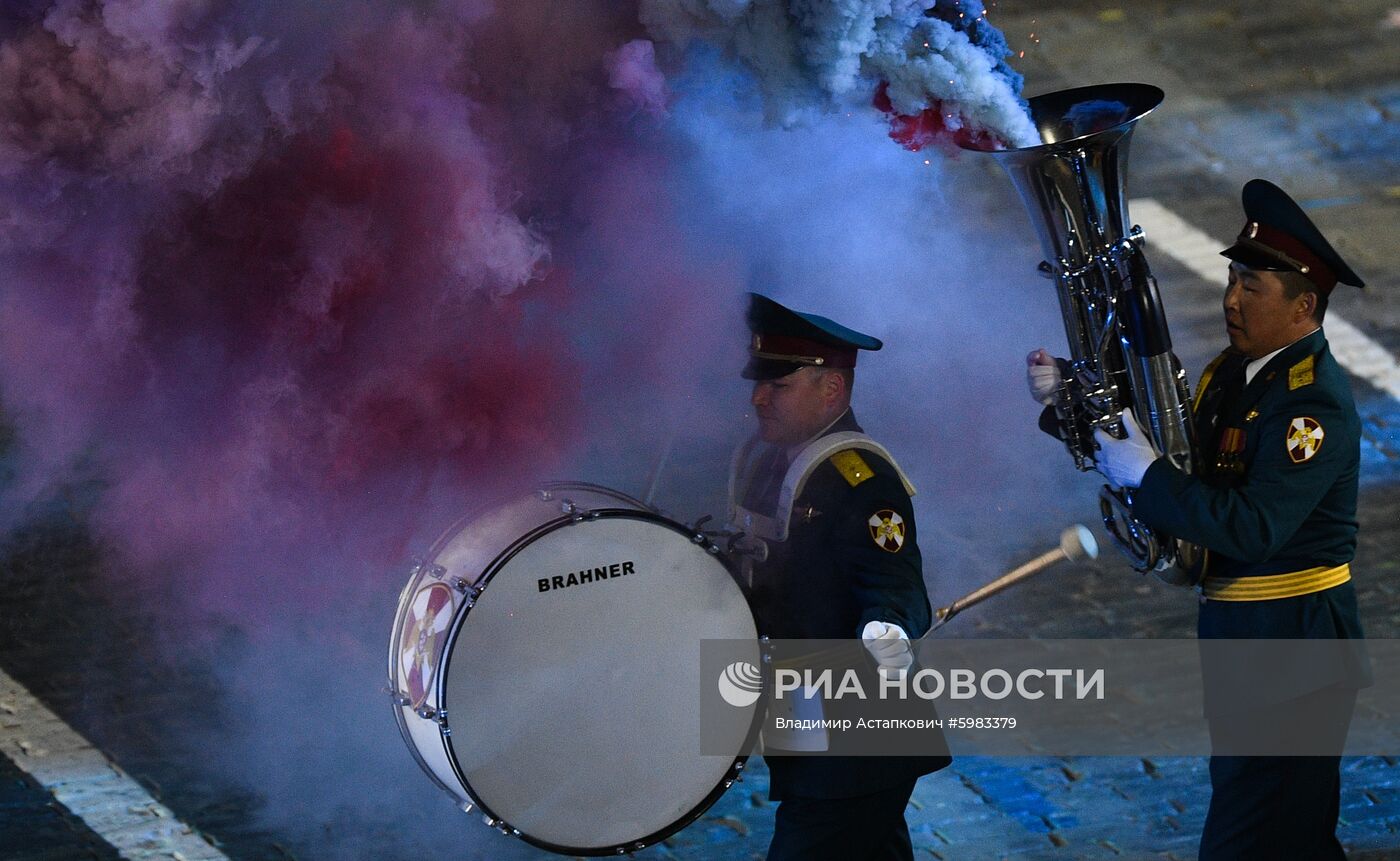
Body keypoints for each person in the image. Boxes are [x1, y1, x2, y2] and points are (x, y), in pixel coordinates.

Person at [1026, 179, 1366, 860]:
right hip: (1246, 648)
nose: (1232, 298)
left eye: (1253, 287)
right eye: (1233, 277)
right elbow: (1172, 457)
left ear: (1304, 305)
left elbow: (1249, 526)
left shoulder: (1311, 407)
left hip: (1294, 655)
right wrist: (1077, 406)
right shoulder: (1232, 375)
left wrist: (1143, 474)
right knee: (1288, 836)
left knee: (1253, 837)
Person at [729, 292, 950, 861]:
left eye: (778, 387)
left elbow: (895, 583)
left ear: (832, 388)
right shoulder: (764, 460)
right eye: (760, 383)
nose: (758, 398)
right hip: (807, 726)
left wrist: (890, 629)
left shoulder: (861, 480)